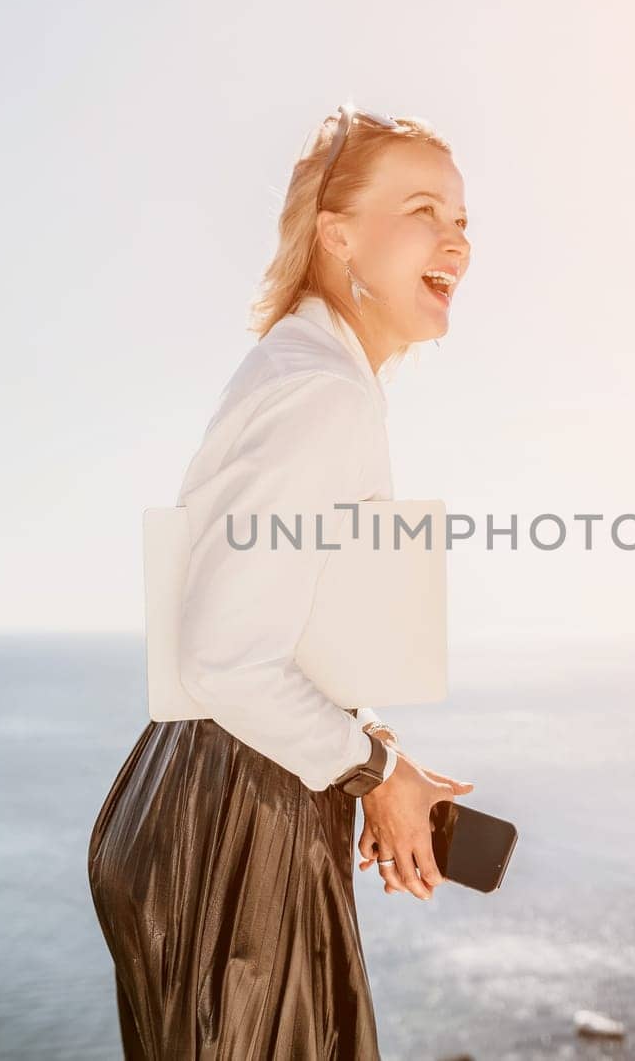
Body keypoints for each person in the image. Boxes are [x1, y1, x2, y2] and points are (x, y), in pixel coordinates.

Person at [87, 104, 475, 1060]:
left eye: (464, 220)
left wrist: (371, 750)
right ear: (337, 234)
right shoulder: (322, 393)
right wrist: (376, 773)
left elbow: (276, 633)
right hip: (234, 836)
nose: (457, 243)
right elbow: (223, 657)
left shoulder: (307, 373)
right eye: (424, 210)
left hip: (222, 811)